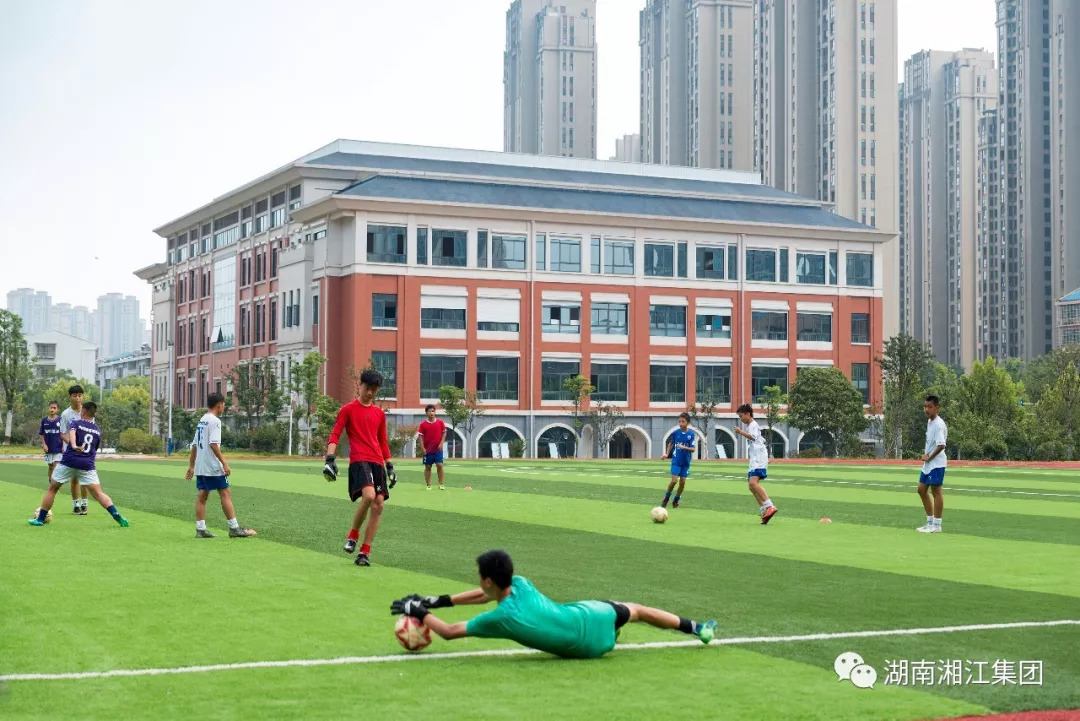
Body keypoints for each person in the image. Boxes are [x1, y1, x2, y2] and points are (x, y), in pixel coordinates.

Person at [390, 550, 717, 658]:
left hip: (590, 650)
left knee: (609, 615)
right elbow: (482, 595)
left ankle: (615, 635)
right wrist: (438, 600)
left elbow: (447, 632)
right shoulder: (522, 584)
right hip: (595, 620)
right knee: (637, 610)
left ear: (488, 580)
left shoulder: (501, 618)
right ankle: (697, 628)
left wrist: (420, 612)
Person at [323, 369, 396, 567]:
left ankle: (364, 552)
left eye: (374, 390)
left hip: (377, 461)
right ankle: (353, 535)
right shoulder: (348, 409)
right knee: (370, 496)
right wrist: (330, 457)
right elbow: (336, 433)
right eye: (367, 388)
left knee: (379, 504)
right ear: (360, 386)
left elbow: (382, 440)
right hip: (359, 460)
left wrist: (389, 466)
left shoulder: (379, 413)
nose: (370, 393)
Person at [28, 402, 128, 527]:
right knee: (98, 493)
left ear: (84, 412)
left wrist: (74, 446)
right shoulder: (97, 430)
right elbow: (94, 449)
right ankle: (115, 513)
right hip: (87, 464)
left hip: (70, 460)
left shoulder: (76, 423)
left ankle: (40, 519)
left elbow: (72, 434)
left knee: (53, 488)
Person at [184, 392, 256, 539]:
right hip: (212, 466)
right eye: (224, 404)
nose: (224, 407)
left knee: (202, 495)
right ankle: (234, 528)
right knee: (225, 493)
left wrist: (192, 466)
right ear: (219, 405)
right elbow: (214, 445)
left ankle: (201, 529)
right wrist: (224, 463)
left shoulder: (202, 420)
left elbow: (194, 446)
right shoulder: (214, 421)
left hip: (201, 466)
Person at [733, 404, 778, 524]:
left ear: (748, 414)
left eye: (741, 416)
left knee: (753, 482)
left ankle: (770, 506)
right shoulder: (750, 425)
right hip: (755, 458)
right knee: (751, 485)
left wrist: (740, 431)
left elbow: (753, 437)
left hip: (758, 458)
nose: (741, 419)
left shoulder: (753, 425)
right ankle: (764, 510)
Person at [917, 394, 948, 533]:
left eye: (929, 407)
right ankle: (929, 522)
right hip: (929, 463)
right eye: (925, 406)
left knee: (936, 491)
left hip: (936, 463)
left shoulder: (938, 424)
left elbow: (941, 445)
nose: (926, 409)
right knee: (921, 490)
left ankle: (937, 525)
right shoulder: (930, 422)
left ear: (937, 408)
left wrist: (929, 457)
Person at [59, 385, 89, 515]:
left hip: (85, 450)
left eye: (79, 395)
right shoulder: (66, 414)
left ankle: (85, 504)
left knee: (85, 477)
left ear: (83, 396)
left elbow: (91, 430)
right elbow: (62, 433)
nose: (77, 398)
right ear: (70, 397)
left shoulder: (88, 412)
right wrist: (73, 445)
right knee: (75, 478)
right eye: (74, 395)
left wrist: (86, 446)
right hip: (71, 451)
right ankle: (76, 504)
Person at [660, 412, 697, 508]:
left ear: (687, 422)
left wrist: (683, 447)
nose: (681, 423)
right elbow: (671, 443)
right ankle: (666, 498)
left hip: (686, 463)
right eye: (679, 421)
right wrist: (666, 454)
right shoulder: (675, 433)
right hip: (676, 461)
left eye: (683, 421)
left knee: (683, 483)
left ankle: (676, 500)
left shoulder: (691, 435)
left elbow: (693, 449)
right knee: (674, 481)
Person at [416, 404, 447, 490]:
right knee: (428, 466)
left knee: (439, 465)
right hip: (427, 450)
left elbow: (444, 433)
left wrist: (441, 443)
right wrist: (422, 448)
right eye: (429, 411)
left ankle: (441, 484)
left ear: (435, 412)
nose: (431, 413)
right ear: (426, 413)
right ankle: (428, 484)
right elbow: (420, 436)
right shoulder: (423, 424)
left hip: (438, 449)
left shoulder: (440, 422)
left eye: (433, 411)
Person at [39, 401, 63, 484]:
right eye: (51, 408)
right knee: (51, 466)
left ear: (57, 409)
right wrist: (44, 444)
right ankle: (51, 482)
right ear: (48, 408)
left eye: (54, 408)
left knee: (56, 466)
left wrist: (63, 445)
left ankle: (54, 484)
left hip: (58, 447)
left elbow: (63, 433)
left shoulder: (60, 420)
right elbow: (42, 434)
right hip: (48, 448)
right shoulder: (44, 420)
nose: (52, 409)